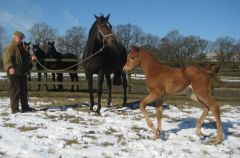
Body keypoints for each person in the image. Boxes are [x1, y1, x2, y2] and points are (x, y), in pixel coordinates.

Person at [3, 31, 37, 114]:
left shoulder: (23, 48)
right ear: (14, 37)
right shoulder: (10, 47)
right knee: (15, 90)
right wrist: (10, 67)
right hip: (14, 72)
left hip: (23, 72)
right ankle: (15, 109)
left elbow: (26, 60)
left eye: (22, 38)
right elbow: (7, 59)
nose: (21, 39)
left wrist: (32, 59)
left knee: (24, 91)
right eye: (19, 38)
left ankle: (25, 108)